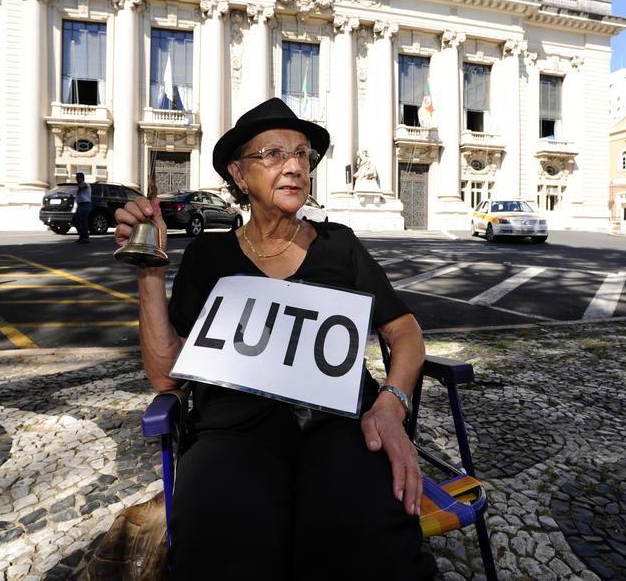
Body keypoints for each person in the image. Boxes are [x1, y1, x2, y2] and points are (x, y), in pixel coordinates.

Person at [114, 97, 436, 580]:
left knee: (367, 539)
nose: (294, 167)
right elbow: (165, 375)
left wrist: (392, 402)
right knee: (224, 544)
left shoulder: (340, 244)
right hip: (233, 435)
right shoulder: (209, 255)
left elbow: (404, 329)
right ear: (240, 176)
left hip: (342, 430)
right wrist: (150, 271)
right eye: (273, 154)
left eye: (303, 155)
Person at [73, 172, 92, 244]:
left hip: (85, 205)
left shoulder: (86, 184)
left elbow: (83, 186)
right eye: (76, 177)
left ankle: (86, 238)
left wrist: (77, 188)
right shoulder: (78, 186)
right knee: (75, 220)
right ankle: (82, 236)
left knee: (83, 222)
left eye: (79, 177)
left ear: (82, 178)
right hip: (80, 205)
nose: (77, 179)